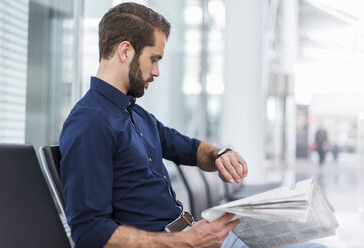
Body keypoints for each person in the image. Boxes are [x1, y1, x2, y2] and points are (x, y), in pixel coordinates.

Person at [60, 3, 326, 248]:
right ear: (126, 51)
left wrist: (219, 155)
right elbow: (90, 232)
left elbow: (187, 148)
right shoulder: (89, 123)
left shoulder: (136, 115)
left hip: (190, 234)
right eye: (154, 59)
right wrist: (186, 242)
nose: (156, 72)